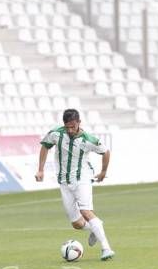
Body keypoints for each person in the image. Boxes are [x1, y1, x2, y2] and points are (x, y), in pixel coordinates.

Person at [35, 109, 115, 260]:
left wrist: (103, 172)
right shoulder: (56, 134)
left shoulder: (87, 139)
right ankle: (95, 227)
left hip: (82, 179)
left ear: (79, 122)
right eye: (67, 127)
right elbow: (45, 146)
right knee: (77, 223)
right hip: (64, 182)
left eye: (73, 126)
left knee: (86, 211)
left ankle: (106, 248)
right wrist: (40, 169)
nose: (70, 130)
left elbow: (105, 152)